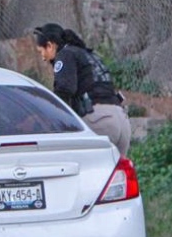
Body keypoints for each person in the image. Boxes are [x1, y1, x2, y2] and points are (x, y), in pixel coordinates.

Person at [33, 23, 132, 157]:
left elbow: (64, 89)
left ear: (50, 45)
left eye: (41, 51)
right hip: (121, 118)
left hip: (98, 119)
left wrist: (52, 120)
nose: (43, 57)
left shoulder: (65, 55)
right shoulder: (89, 54)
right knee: (117, 174)